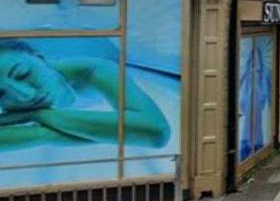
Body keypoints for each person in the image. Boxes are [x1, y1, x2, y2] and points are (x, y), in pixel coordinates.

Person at [0, 40, 170, 150]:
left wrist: (36, 115)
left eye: (23, 74)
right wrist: (45, 134)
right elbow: (140, 134)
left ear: (41, 58)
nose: (24, 96)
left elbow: (156, 132)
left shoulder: (93, 69)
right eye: (1, 94)